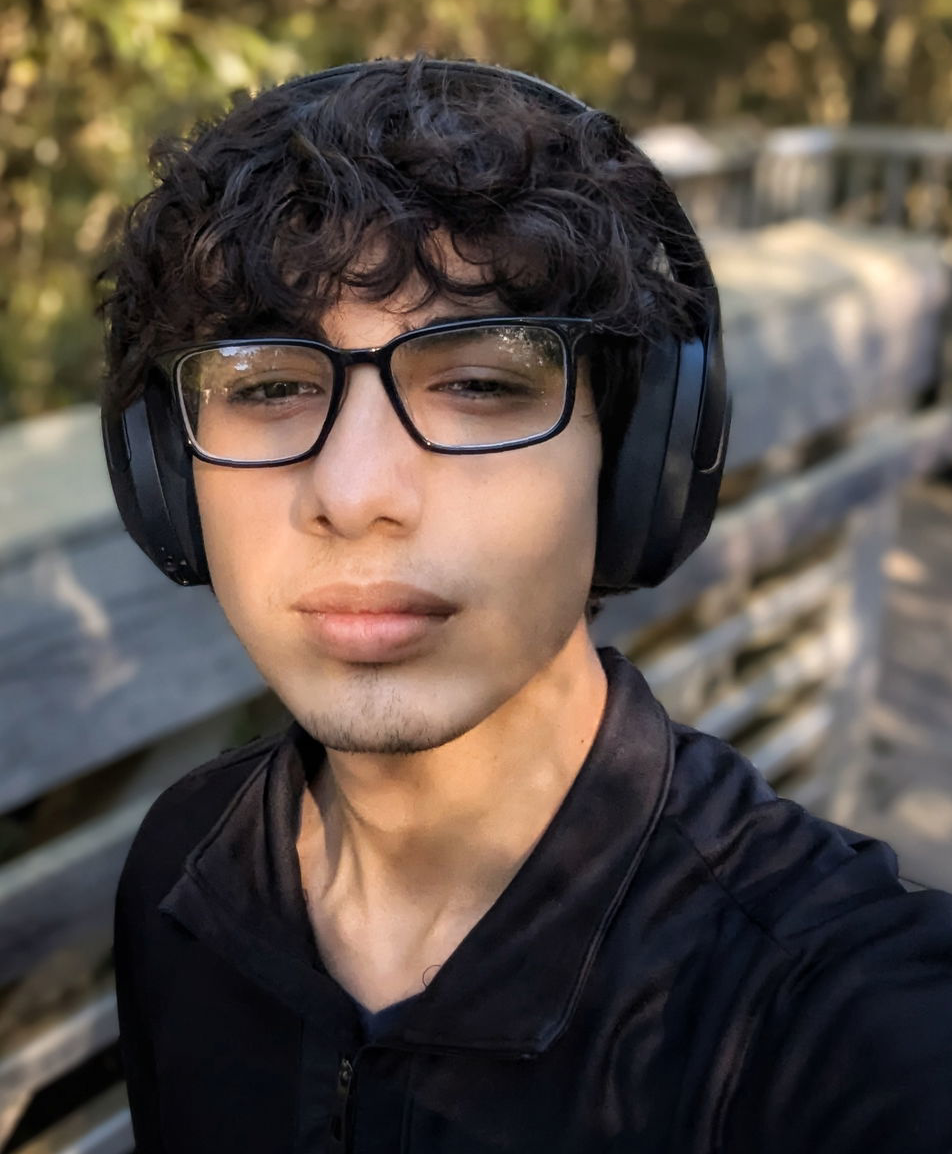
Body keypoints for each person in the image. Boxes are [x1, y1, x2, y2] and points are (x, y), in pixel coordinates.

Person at [101, 56, 952, 1154]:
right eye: (268, 386)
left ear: (633, 461)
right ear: (172, 478)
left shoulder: (843, 1023)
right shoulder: (180, 867)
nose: (356, 495)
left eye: (480, 381)